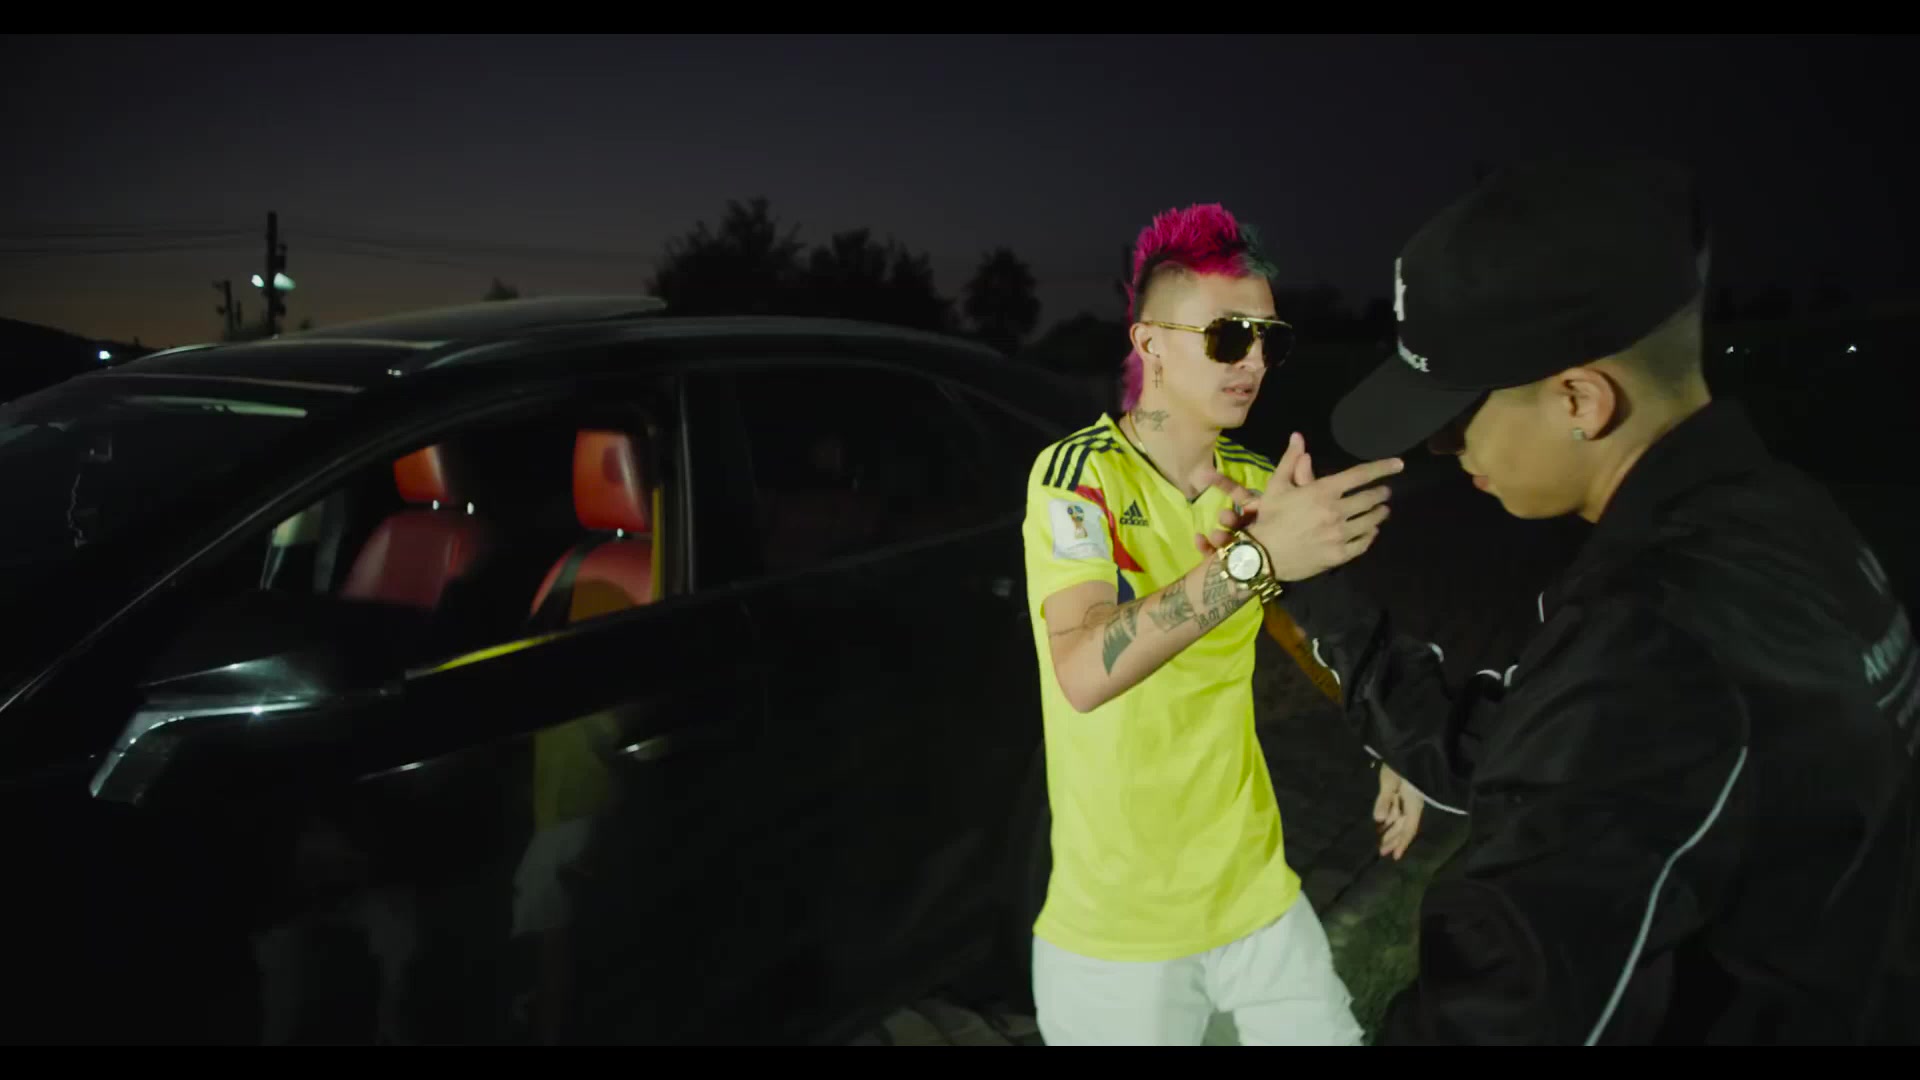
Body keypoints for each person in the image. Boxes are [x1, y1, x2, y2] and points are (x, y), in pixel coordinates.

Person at [1202, 156, 1919, 1044]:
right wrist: (1305, 582)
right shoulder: (1785, 520)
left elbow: (1502, 1014)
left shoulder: (1656, 639)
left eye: (1458, 411)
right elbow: (1502, 749)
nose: (1441, 446)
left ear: (1580, 397)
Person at [1020, 202, 1405, 1045]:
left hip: (1258, 902)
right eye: (1229, 337)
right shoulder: (1077, 476)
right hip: (1119, 937)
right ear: (1150, 343)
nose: (1254, 360)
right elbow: (1082, 668)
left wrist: (1396, 744)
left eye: (1270, 339)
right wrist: (1252, 561)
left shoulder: (1256, 480)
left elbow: (1322, 633)